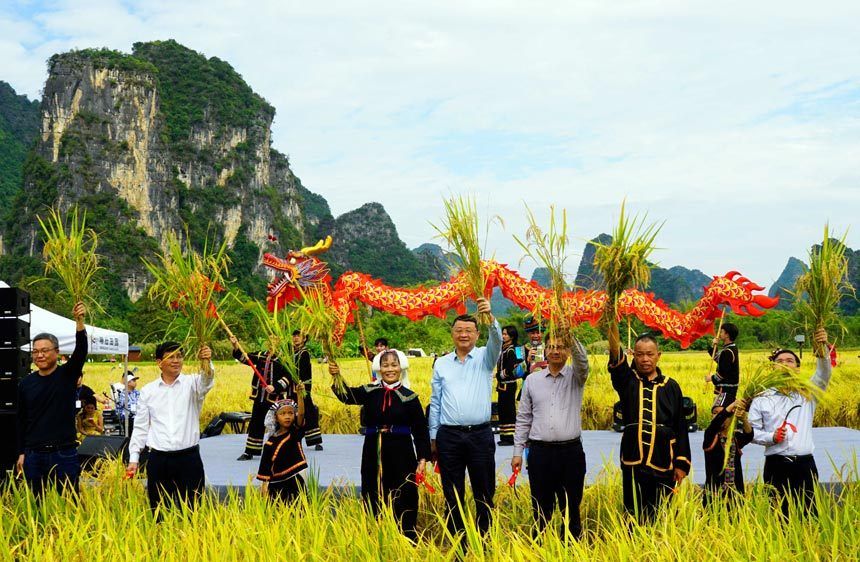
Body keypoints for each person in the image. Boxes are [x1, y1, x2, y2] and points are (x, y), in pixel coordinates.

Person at [330, 349, 431, 540]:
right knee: (372, 487)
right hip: (373, 448)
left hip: (402, 450)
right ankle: (375, 534)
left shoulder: (409, 397)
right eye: (385, 365)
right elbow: (347, 396)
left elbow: (420, 429)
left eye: (394, 365)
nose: (390, 369)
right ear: (379, 368)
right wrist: (336, 376)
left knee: (404, 490)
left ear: (401, 367)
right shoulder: (369, 392)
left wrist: (423, 458)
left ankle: (406, 535)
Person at [428, 297, 501, 536]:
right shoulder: (442, 364)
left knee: (484, 491)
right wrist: (433, 436)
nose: (464, 335)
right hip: (449, 437)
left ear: (477, 335)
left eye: (469, 330)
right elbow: (436, 401)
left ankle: (485, 538)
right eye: (459, 330)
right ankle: (458, 541)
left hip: (480, 435)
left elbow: (497, 340)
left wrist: (490, 317)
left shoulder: (484, 358)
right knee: (452, 493)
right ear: (452, 334)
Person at [607, 324, 691, 522]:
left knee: (661, 513)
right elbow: (615, 355)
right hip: (633, 459)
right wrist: (612, 318)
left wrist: (681, 463)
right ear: (633, 355)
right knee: (633, 512)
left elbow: (680, 426)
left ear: (658, 355)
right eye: (640, 354)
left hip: (664, 460)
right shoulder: (627, 380)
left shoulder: (671, 386)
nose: (645, 359)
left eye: (650, 354)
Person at [512, 331, 589, 539]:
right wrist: (518, 451)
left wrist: (571, 335)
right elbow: (524, 418)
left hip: (570, 452)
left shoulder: (576, 376)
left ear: (568, 351)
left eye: (561, 347)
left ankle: (571, 550)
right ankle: (540, 549)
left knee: (571, 507)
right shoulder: (532, 381)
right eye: (551, 347)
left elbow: (583, 361)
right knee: (540, 508)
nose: (556, 351)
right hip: (540, 453)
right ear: (544, 350)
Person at [747, 328, 830, 518]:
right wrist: (771, 437)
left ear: (797, 368)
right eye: (779, 361)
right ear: (773, 367)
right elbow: (751, 431)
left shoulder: (808, 394)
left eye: (790, 361)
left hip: (804, 465)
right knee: (779, 517)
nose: (784, 364)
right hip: (776, 466)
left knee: (809, 516)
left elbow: (823, 373)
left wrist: (822, 347)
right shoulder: (762, 398)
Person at [126, 342, 214, 512]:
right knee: (159, 511)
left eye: (179, 356)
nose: (176, 361)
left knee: (192, 510)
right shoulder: (148, 391)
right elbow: (141, 427)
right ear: (159, 362)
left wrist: (206, 361)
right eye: (170, 357)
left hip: (189, 458)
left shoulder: (193, 384)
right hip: (159, 459)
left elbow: (207, 380)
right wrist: (134, 458)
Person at [16, 302, 88, 498]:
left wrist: (79, 323)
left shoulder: (67, 375)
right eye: (36, 351)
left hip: (64, 453)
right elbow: (21, 421)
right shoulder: (25, 384)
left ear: (56, 352)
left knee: (69, 502)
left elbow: (81, 351)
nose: (40, 355)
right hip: (33, 455)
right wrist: (22, 453)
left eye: (45, 350)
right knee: (37, 504)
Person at [230, 335, 296, 461]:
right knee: (256, 422)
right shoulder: (261, 355)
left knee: (276, 424)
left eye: (275, 339)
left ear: (279, 341)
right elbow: (245, 358)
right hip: (259, 396)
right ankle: (250, 451)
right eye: (269, 338)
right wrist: (235, 345)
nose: (272, 341)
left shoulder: (283, 358)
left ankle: (278, 450)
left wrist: (275, 387)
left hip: (274, 397)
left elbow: (289, 376)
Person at [257, 398, 308, 502]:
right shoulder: (270, 442)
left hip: (295, 479)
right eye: (283, 414)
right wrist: (264, 486)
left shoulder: (295, 433)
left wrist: (299, 394)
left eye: (290, 413)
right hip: (276, 483)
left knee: (299, 511)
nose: (287, 416)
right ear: (275, 417)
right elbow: (265, 467)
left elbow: (301, 414)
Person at [702, 400, 753, 504]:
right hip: (714, 495)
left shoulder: (735, 437)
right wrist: (733, 404)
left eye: (723, 413)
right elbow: (715, 424)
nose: (718, 416)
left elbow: (749, 435)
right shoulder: (710, 435)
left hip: (735, 495)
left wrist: (744, 419)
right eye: (715, 413)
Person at [293, 330, 323, 450]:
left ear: (304, 339)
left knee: (309, 413)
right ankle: (295, 439)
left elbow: (305, 372)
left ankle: (315, 441)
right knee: (295, 414)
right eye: (294, 336)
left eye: (298, 336)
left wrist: (304, 387)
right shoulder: (292, 353)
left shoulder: (304, 353)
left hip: (302, 388)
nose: (296, 338)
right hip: (293, 388)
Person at [496, 325, 525, 446]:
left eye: (506, 334)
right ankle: (504, 436)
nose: (503, 336)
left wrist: (498, 375)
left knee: (508, 411)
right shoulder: (504, 349)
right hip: (503, 385)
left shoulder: (511, 350)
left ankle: (510, 437)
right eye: (502, 334)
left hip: (508, 384)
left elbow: (511, 368)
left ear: (511, 336)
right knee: (503, 410)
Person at [705, 322, 739, 411]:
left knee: (719, 413)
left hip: (726, 391)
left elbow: (723, 371)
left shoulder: (728, 351)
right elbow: (719, 360)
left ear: (727, 335)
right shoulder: (730, 348)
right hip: (727, 390)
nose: (720, 334)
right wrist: (713, 345)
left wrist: (711, 378)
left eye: (722, 332)